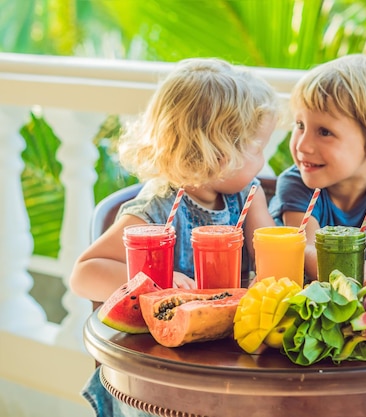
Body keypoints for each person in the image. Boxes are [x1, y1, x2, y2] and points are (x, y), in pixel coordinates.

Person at [69, 57, 279, 417]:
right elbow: (84, 272)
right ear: (217, 152)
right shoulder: (157, 207)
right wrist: (158, 285)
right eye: (256, 148)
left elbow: (269, 255)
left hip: (226, 357)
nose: (263, 161)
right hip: (162, 373)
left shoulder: (248, 195)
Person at [269, 54, 366, 281]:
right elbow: (306, 253)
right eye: (300, 125)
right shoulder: (296, 184)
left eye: (324, 132)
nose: (302, 145)